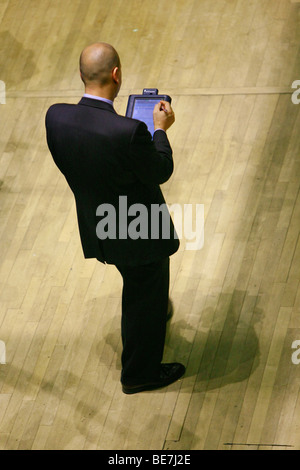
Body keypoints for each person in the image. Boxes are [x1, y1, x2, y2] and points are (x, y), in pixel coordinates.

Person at [45, 42, 185, 394]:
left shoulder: (56, 117)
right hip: (138, 231)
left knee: (142, 288)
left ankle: (153, 313)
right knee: (144, 290)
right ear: (117, 75)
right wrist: (159, 130)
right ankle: (140, 374)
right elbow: (160, 170)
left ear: (81, 75)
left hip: (99, 226)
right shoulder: (128, 132)